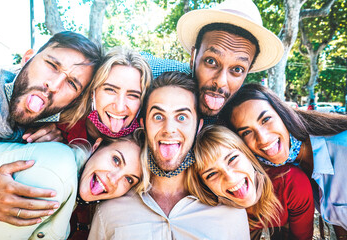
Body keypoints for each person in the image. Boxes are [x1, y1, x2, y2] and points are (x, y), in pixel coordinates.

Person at [88, 71, 250, 239]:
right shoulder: (109, 210)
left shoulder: (231, 212)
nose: (169, 129)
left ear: (198, 126)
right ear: (144, 125)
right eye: (158, 116)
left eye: (182, 117)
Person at [0, 31, 102, 239]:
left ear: (73, 102)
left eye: (72, 84)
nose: (53, 86)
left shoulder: (46, 129)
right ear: (27, 58)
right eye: (52, 66)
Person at [221, 83, 347, 239]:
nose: (263, 138)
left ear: (283, 114)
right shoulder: (290, 169)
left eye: (265, 119)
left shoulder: (342, 148)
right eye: (247, 132)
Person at [142, 0, 283, 121]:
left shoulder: (244, 118)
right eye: (211, 61)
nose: (221, 81)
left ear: (248, 72)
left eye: (237, 69)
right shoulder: (151, 73)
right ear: (193, 57)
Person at [188, 125, 314, 239]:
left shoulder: (291, 182)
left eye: (232, 159)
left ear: (248, 155)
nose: (230, 178)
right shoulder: (206, 214)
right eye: (211, 174)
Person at [58, 46, 152, 143]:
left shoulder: (147, 139)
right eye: (110, 90)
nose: (119, 108)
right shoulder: (63, 126)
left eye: (133, 95)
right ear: (92, 92)